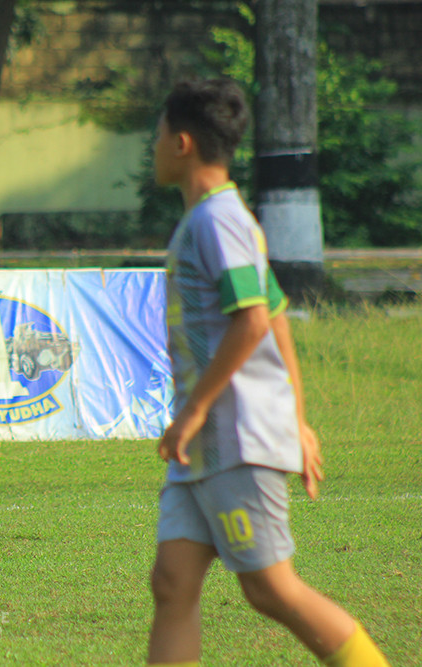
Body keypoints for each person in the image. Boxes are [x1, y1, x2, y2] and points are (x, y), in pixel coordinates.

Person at [147, 78, 389, 666]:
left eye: (155, 135)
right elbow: (278, 319)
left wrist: (196, 410)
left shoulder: (217, 221)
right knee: (173, 583)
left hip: (234, 437)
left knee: (271, 589)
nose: (150, 146)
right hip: (205, 447)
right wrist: (300, 422)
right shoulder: (214, 218)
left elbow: (253, 320)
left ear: (181, 143)